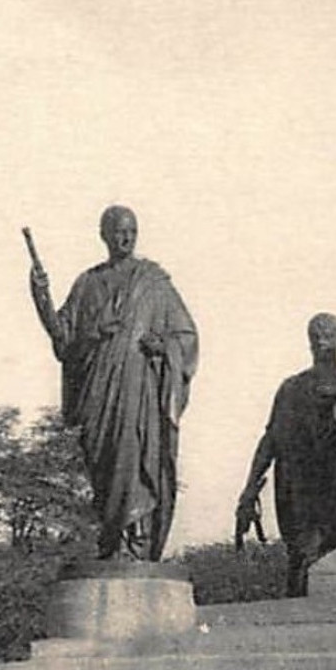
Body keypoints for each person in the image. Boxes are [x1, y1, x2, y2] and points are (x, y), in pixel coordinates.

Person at [30, 205, 199, 560]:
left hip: (137, 393)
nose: (126, 238)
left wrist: (163, 346)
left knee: (133, 456)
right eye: (119, 232)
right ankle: (111, 540)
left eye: (132, 232)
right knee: (103, 466)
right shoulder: (87, 283)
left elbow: (186, 335)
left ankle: (134, 542)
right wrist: (41, 298)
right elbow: (64, 338)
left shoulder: (153, 282)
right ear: (104, 234)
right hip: (97, 394)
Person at [235, 313, 336, 598]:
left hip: (328, 491)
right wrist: (249, 490)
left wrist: (249, 490)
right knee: (308, 560)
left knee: (311, 561)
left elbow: (269, 442)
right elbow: (271, 440)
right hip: (311, 491)